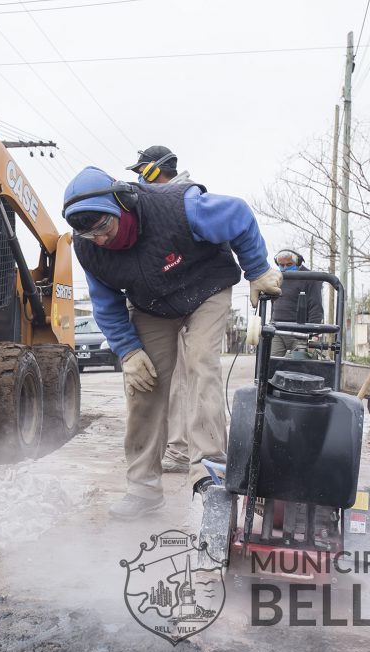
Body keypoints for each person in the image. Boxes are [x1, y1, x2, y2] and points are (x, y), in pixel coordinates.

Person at [62, 166, 282, 519]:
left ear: (122, 204)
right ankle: (143, 489)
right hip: (153, 304)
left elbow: (239, 213)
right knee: (142, 386)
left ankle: (211, 474)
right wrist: (129, 351)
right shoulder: (89, 250)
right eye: (89, 234)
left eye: (104, 227)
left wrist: (256, 269)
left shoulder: (181, 207)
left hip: (206, 288)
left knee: (200, 366)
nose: (100, 239)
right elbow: (105, 302)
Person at [125, 146, 195, 474]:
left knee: (182, 379)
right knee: (156, 380)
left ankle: (180, 451)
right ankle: (159, 448)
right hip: (160, 301)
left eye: (144, 172)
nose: (140, 179)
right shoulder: (151, 204)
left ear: (160, 169)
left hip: (183, 301)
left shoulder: (184, 198)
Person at [270, 249, 324, 357]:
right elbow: (273, 304)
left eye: (289, 264)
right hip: (278, 329)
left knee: (299, 365)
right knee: (271, 363)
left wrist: (314, 334)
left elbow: (316, 307)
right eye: (282, 265)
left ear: (298, 263)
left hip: (301, 332)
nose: (285, 268)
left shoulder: (310, 278)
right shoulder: (277, 278)